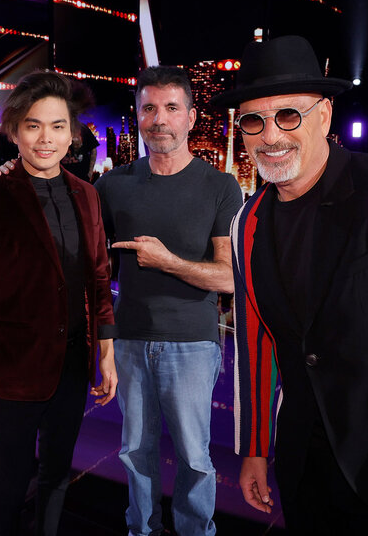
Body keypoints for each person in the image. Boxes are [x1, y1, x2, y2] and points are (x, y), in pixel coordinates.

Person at [214, 35, 368, 534]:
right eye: (253, 121)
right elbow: (257, 342)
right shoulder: (247, 221)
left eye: (288, 115)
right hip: (302, 462)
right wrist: (256, 449)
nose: (271, 135)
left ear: (324, 116)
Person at [0, 71, 118, 536]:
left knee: (57, 477)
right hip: (15, 364)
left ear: (72, 134)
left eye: (58, 126)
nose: (46, 138)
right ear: (14, 130)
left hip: (73, 362)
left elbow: (99, 277)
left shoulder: (88, 195)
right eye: (34, 125)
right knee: (11, 480)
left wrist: (107, 352)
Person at [94, 66, 243, 536]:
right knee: (134, 452)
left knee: (195, 458)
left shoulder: (219, 186)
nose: (160, 119)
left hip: (192, 345)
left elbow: (228, 279)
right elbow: (89, 267)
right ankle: (142, 530)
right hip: (130, 340)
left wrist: (166, 261)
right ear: (138, 116)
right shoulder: (112, 185)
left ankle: (196, 532)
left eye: (172, 108)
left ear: (191, 117)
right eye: (149, 108)